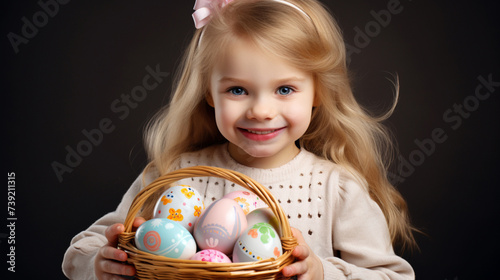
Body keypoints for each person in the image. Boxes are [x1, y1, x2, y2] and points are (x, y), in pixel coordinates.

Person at [62, 0, 418, 279]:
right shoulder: (175, 174)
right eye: (237, 89)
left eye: (284, 89)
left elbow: (392, 275)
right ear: (209, 95)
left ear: (317, 93)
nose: (261, 110)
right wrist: (100, 265)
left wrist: (321, 273)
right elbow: (82, 250)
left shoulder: (334, 187)